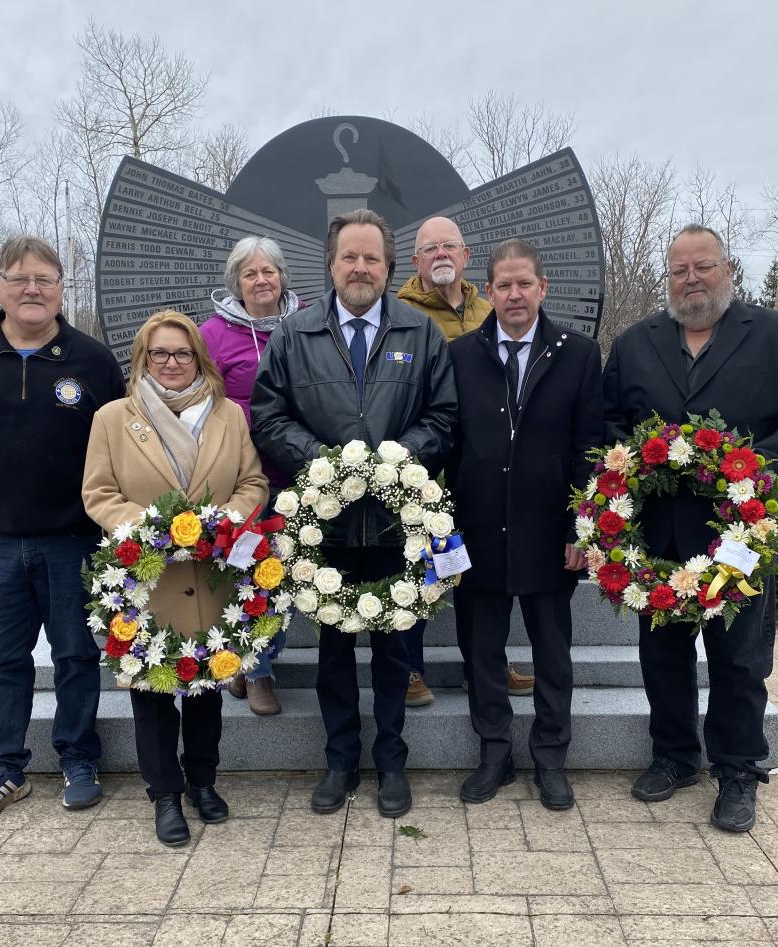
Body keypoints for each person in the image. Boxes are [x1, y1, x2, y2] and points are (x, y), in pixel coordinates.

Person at [603, 224, 778, 832]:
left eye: (702, 267)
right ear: (668, 279)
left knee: (739, 658)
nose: (691, 280)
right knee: (662, 654)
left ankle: (737, 771)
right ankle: (675, 756)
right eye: (679, 271)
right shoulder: (634, 344)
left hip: (738, 535)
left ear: (728, 268)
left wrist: (751, 472)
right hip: (658, 534)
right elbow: (610, 426)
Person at [251, 209, 457, 818]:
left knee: (396, 651)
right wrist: (324, 465)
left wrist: (393, 463)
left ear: (389, 266)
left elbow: (444, 418)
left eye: (371, 258)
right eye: (349, 257)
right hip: (325, 527)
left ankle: (392, 759)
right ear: (332, 264)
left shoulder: (421, 334)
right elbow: (269, 415)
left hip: (398, 524)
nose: (360, 267)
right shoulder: (295, 335)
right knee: (334, 653)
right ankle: (340, 759)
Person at [0, 235, 124, 823]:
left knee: (75, 655)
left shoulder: (91, 360)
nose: (32, 289)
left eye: (44, 278)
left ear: (61, 288)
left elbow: (113, 442)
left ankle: (78, 757)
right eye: (19, 278)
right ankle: (3, 769)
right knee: (2, 661)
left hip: (70, 541)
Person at [82, 310, 268, 846]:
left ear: (199, 360)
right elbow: (99, 493)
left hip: (214, 579)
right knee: (155, 692)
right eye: (159, 353)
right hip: (148, 580)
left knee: (208, 686)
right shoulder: (114, 418)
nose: (171, 363)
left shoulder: (228, 415)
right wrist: (152, 531)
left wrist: (224, 521)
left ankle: (203, 782)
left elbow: (252, 480)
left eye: (182, 353)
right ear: (143, 359)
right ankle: (164, 793)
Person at [447, 238, 603, 810]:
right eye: (503, 285)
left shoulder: (579, 354)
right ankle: (494, 753)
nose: (514, 294)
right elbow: (451, 442)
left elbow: (590, 446)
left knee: (552, 652)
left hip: (548, 532)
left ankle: (551, 757)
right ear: (488, 291)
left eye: (524, 283)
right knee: (481, 650)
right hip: (478, 530)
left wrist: (579, 527)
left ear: (543, 288)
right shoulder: (461, 354)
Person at [397, 216, 534, 707]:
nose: (440, 254)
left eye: (449, 246)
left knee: (482, 574)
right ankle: (410, 668)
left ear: (465, 255)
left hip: (485, 469)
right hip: (426, 465)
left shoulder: (489, 308)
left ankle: (487, 666)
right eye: (429, 247)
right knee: (418, 567)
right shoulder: (400, 314)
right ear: (415, 261)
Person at [200, 235, 302, 716]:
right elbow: (201, 406)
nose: (261, 280)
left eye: (269, 271)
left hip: (300, 471)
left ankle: (254, 661)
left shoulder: (308, 326)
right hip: (244, 478)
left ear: (282, 275)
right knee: (251, 575)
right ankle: (257, 671)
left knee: (285, 574)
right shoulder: (213, 336)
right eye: (250, 274)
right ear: (236, 283)